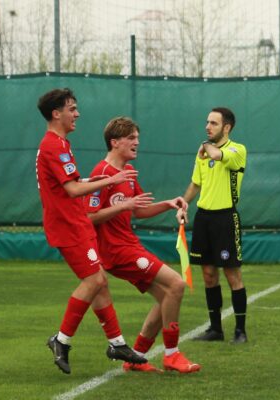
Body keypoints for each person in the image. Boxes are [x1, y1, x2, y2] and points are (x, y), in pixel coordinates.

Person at [36, 88, 147, 374]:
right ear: (56, 113)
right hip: (68, 226)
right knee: (93, 281)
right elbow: (72, 190)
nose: (77, 113)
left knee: (99, 281)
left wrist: (93, 178)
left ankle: (117, 342)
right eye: (72, 109)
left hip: (75, 223)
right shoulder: (54, 146)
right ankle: (61, 340)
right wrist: (110, 180)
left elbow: (67, 183)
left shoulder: (60, 143)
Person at [85, 116, 201, 373]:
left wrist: (169, 203)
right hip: (116, 251)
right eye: (131, 138)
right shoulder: (101, 174)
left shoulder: (127, 174)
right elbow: (88, 218)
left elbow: (139, 210)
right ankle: (172, 355)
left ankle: (135, 357)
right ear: (115, 142)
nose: (137, 142)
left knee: (165, 299)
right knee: (176, 285)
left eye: (137, 137)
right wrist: (123, 206)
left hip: (129, 245)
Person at [182, 107, 248, 344]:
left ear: (227, 127)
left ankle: (240, 330)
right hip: (203, 218)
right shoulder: (202, 152)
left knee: (232, 275)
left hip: (225, 219)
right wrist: (183, 203)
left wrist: (205, 147)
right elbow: (195, 183)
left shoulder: (236, 150)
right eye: (207, 122)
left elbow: (218, 156)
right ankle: (216, 329)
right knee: (209, 275)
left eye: (213, 123)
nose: (208, 127)